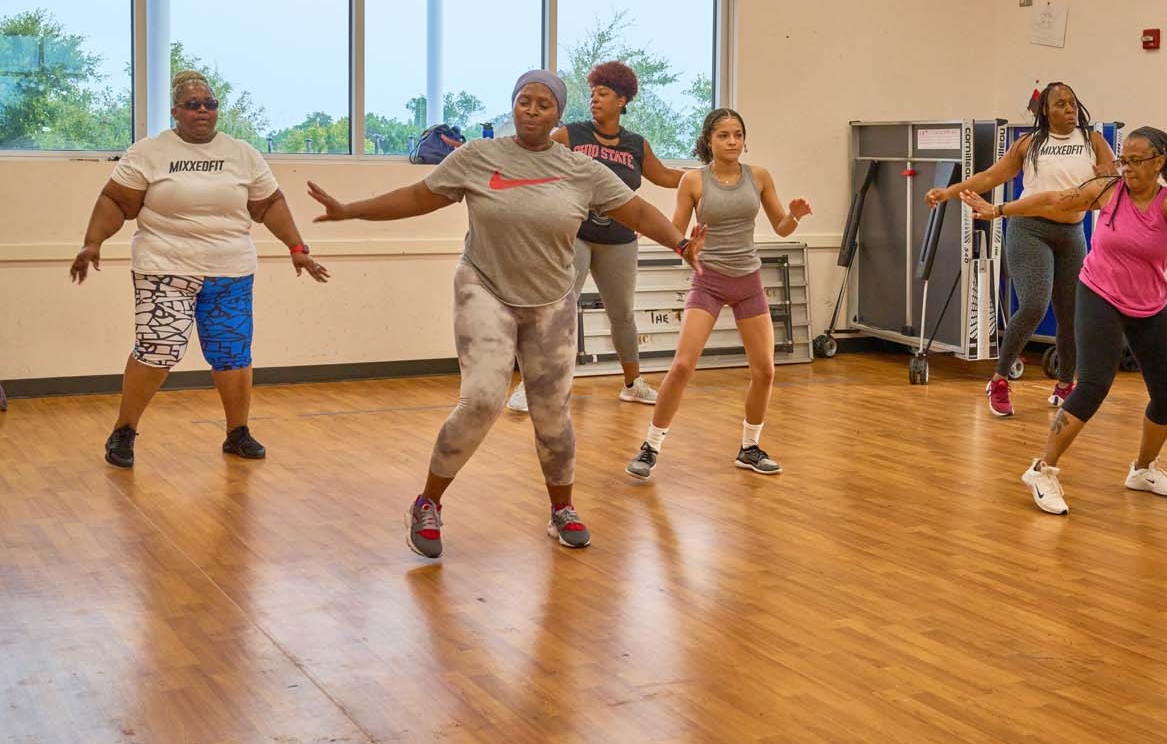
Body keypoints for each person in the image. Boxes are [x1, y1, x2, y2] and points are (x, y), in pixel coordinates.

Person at [306, 70, 706, 558]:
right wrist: (350, 210)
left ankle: (562, 509)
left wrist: (681, 242)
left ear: (559, 113)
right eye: (524, 101)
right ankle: (427, 502)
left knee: (552, 415)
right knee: (482, 399)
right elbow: (418, 196)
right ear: (513, 106)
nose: (532, 110)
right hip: (485, 286)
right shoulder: (478, 156)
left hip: (551, 299)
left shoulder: (580, 168)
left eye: (543, 103)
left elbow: (638, 212)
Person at [960, 127, 1167, 515]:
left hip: (1148, 304)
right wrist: (997, 210)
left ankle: (1143, 469)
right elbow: (1053, 199)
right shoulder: (1107, 190)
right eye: (1123, 160)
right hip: (1098, 294)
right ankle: (1042, 469)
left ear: (1159, 162)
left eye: (1136, 161)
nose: (1127, 168)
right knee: (1093, 385)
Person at [70, 70, 329, 469]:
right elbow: (116, 201)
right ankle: (124, 430)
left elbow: (269, 204)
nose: (203, 111)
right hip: (164, 266)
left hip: (230, 269)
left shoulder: (242, 153)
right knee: (158, 350)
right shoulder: (150, 151)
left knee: (232, 354)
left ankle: (237, 432)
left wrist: (296, 247)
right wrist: (93, 242)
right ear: (176, 111)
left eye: (210, 104)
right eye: (193, 105)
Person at [625, 107, 811, 480]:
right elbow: (676, 232)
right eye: (723, 135)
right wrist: (686, 246)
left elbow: (782, 228)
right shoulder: (693, 181)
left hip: (748, 283)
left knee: (765, 371)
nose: (732, 142)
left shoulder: (758, 176)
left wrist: (795, 215)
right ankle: (651, 446)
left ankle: (750, 446)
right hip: (708, 282)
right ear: (709, 140)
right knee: (681, 367)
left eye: (738, 135)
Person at [926, 82, 1115, 418]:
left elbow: (1113, 181)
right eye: (1061, 104)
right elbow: (988, 178)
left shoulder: (1093, 141)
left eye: (1073, 103)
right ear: (1045, 111)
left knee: (1071, 314)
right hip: (1030, 231)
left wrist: (1109, 176)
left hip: (1072, 233)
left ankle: (1065, 385)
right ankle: (999, 380)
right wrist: (948, 191)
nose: (1070, 109)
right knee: (1033, 305)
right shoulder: (1029, 144)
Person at [507, 60, 684, 413]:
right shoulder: (572, 135)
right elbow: (535, 153)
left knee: (622, 314)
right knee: (559, 311)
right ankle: (532, 387)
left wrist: (709, 177)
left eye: (602, 94)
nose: (594, 100)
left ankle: (633, 384)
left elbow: (664, 176)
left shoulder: (636, 144)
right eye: (592, 94)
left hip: (620, 240)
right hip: (576, 235)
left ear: (622, 100)